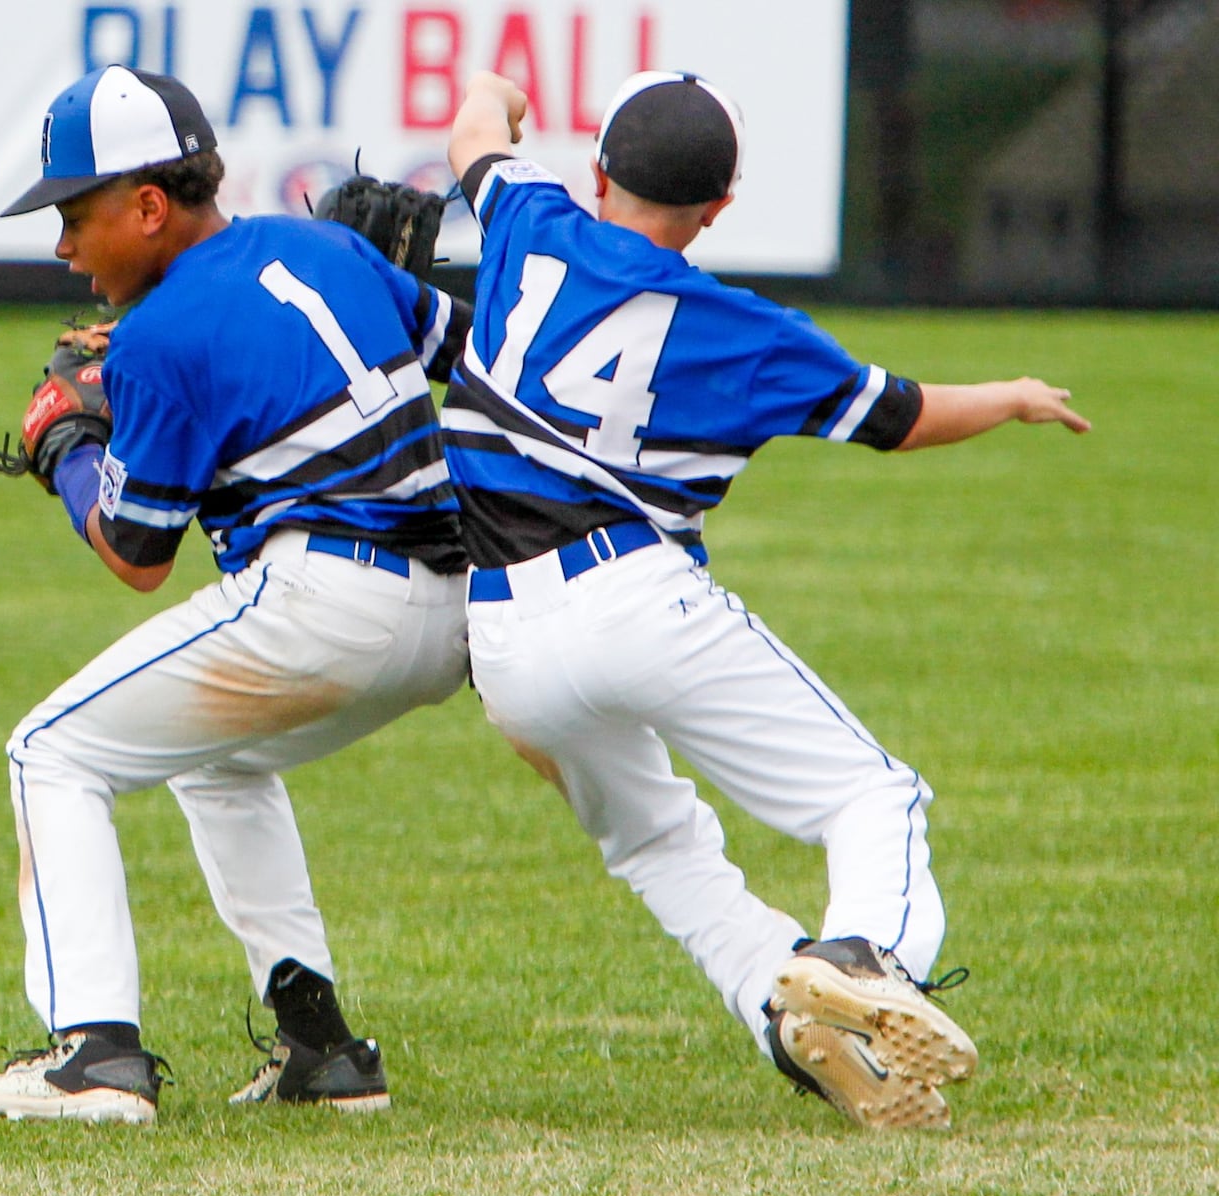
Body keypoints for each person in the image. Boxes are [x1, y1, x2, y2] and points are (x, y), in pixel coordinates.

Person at [441, 70, 1090, 1129]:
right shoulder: (744, 329)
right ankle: (860, 957)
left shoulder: (528, 217)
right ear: (720, 208)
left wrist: (503, 95)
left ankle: (790, 1016)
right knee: (870, 798)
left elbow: (478, 123)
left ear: (597, 173)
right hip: (632, 593)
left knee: (657, 847)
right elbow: (903, 416)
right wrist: (1011, 397)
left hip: (501, 643)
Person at [0, 65, 473, 1123]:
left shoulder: (157, 336)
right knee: (215, 760)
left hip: (324, 600)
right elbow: (477, 355)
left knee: (51, 749)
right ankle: (320, 1047)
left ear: (146, 205)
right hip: (452, 614)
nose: (62, 247)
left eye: (74, 214)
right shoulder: (326, 245)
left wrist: (69, 446)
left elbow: (137, 552)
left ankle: (92, 1055)